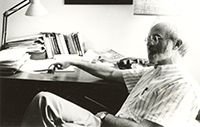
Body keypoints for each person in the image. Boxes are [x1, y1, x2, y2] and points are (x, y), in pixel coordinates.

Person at [21, 22, 200, 127]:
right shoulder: (153, 72)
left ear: (177, 45)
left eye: (156, 38)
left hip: (109, 124)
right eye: (148, 39)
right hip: (106, 123)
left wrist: (106, 117)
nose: (149, 44)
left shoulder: (182, 84)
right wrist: (74, 61)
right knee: (44, 100)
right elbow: (112, 73)